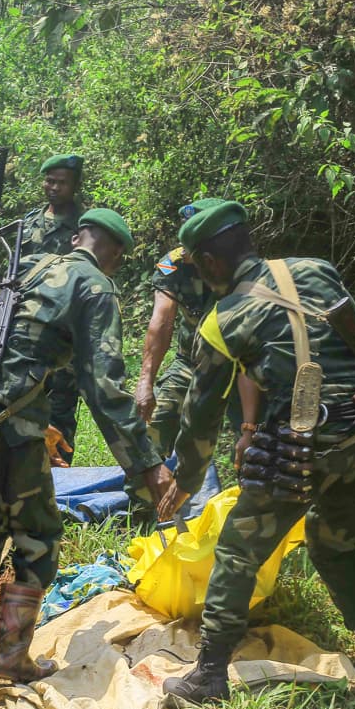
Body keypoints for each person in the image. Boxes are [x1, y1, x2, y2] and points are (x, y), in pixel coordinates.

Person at [157, 200, 355, 703]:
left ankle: (208, 676)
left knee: (237, 550)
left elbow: (201, 416)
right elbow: (354, 347)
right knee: (336, 548)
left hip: (300, 446)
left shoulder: (222, 319)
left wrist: (186, 477)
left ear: (207, 263)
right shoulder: (318, 270)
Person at [0, 209, 172, 681]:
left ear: (80, 234)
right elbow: (104, 388)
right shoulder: (94, 285)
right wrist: (147, 465)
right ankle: (11, 657)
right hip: (7, 421)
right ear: (113, 251)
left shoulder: (33, 266)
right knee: (38, 534)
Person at [128, 198, 248, 518]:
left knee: (252, 434)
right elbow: (161, 322)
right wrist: (146, 383)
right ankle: (143, 510)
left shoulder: (239, 264)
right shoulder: (173, 263)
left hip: (241, 366)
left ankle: (255, 512)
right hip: (190, 360)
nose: (189, 253)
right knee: (156, 420)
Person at [18, 154, 88, 464]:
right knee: (21, 398)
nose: (54, 187)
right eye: (50, 181)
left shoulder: (84, 227)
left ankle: (59, 480)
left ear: (75, 186)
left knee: (60, 407)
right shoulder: (29, 222)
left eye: (62, 182)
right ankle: (21, 469)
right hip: (28, 327)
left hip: (65, 332)